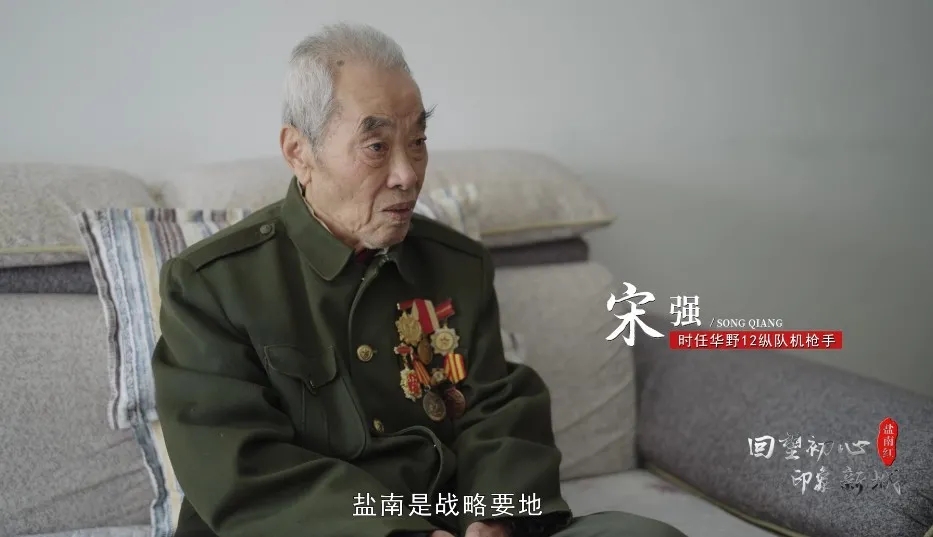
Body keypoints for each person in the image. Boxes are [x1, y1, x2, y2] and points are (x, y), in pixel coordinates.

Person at [152, 22, 688, 537]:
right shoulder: (210, 286)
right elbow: (242, 471)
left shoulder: (458, 264)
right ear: (299, 152)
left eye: (418, 141)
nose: (408, 174)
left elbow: (495, 410)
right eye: (376, 146)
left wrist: (494, 519)